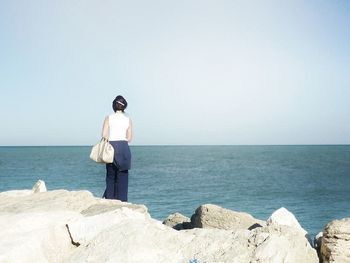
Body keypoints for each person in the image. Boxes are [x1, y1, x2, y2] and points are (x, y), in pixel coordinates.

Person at [101, 95, 132, 201]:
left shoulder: (108, 118)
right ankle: (122, 200)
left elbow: (104, 134)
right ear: (124, 107)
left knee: (110, 176)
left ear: (114, 105)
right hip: (123, 147)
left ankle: (110, 198)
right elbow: (129, 138)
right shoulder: (128, 120)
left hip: (111, 146)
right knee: (123, 176)